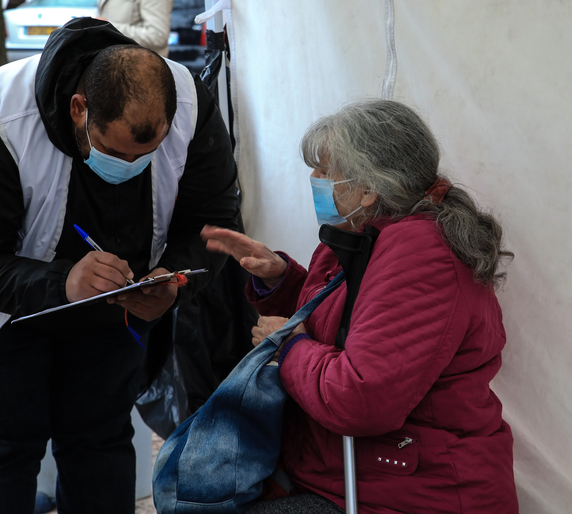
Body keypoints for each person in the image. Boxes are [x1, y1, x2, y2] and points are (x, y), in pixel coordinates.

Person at [0, 16, 239, 513]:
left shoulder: (189, 105)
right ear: (78, 108)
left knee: (100, 444)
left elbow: (213, 220)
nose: (129, 168)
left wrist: (175, 279)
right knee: (1, 454)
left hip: (111, 306)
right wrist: (62, 281)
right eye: (114, 152)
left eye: (147, 155)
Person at [202, 100, 519, 514]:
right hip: (357, 475)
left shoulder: (422, 252)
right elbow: (355, 322)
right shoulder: (364, 233)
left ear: (369, 189)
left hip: (415, 494)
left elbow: (360, 400)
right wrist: (281, 280)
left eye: (325, 171)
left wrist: (290, 346)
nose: (313, 180)